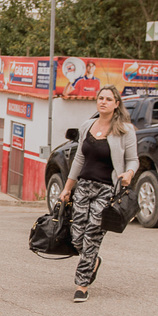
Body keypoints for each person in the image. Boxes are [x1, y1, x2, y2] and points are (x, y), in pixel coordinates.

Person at [57, 86, 139, 303]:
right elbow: (79, 159)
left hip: (107, 191)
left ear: (116, 104)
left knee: (92, 235)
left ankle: (81, 285)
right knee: (77, 236)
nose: (103, 102)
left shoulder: (125, 130)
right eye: (100, 98)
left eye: (108, 99)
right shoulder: (87, 126)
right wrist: (67, 188)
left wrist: (129, 173)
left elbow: (133, 160)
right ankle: (92, 261)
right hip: (83, 187)